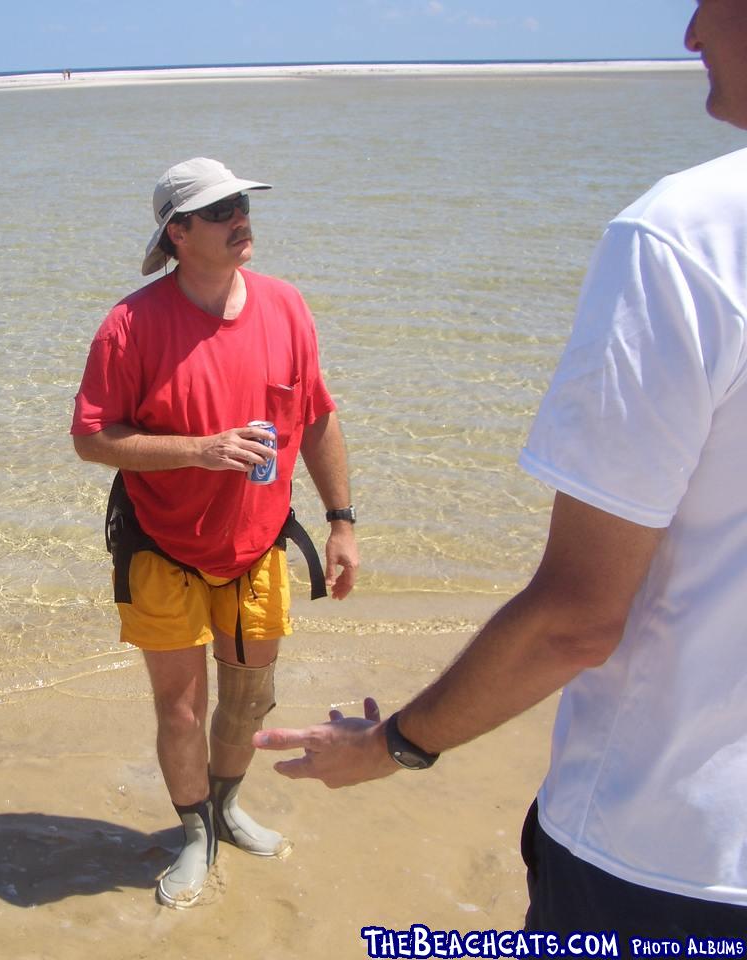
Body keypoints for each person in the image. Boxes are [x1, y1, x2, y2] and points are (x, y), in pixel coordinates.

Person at [255, 1, 747, 939]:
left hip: (668, 853)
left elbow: (577, 620)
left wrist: (392, 745)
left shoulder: (687, 239)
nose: (688, 34)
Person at [70, 157, 360, 907]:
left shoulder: (287, 305)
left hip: (258, 544)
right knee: (181, 710)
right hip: (159, 546)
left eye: (242, 203)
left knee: (252, 696)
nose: (241, 218)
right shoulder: (130, 324)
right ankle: (193, 832)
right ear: (178, 231)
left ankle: (227, 807)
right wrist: (198, 451)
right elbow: (92, 439)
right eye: (221, 209)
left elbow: (320, 416)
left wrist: (341, 522)